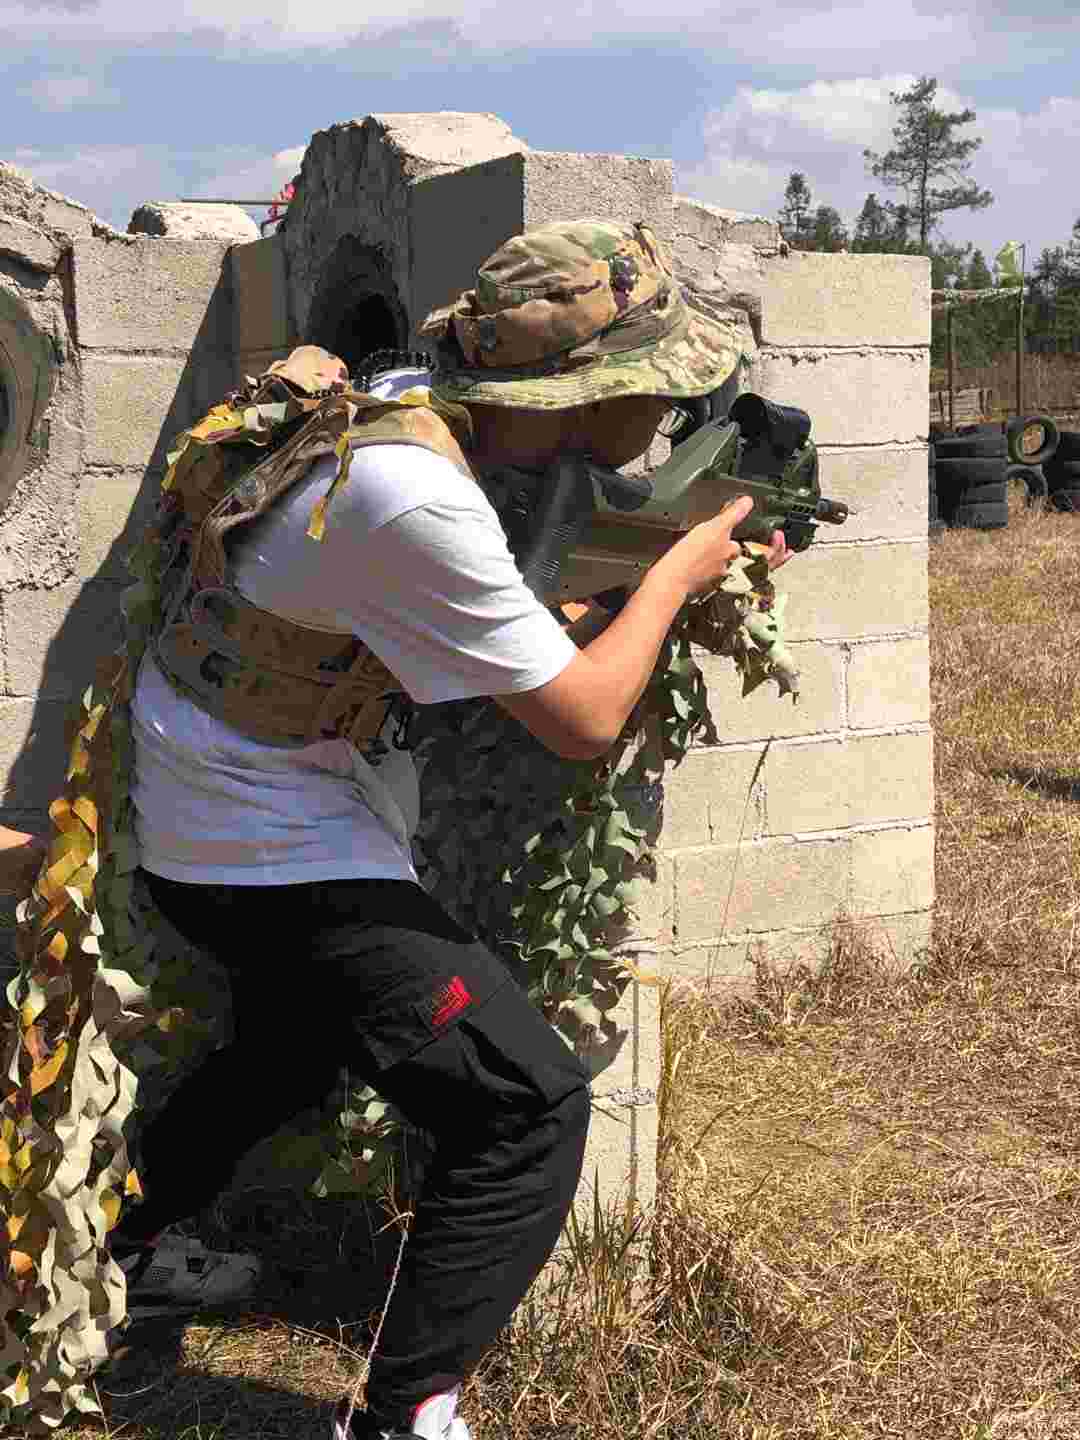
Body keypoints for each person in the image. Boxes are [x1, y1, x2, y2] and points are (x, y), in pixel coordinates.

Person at [86, 220, 789, 1440]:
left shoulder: (405, 419)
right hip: (265, 844)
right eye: (664, 384)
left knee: (289, 1049)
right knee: (524, 1107)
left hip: (208, 805)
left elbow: (493, 634)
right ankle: (404, 1412)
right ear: (584, 392)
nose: (674, 409)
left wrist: (648, 579)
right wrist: (676, 574)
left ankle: (122, 1255)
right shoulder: (413, 496)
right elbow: (582, 718)